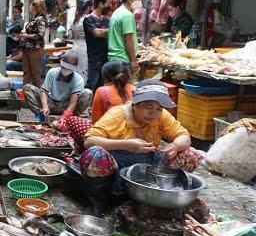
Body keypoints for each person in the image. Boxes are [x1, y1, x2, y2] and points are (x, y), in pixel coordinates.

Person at [80, 80, 196, 215]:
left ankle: (159, 195)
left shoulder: (162, 116)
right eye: (148, 107)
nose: (153, 113)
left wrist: (175, 146)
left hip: (147, 163)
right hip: (117, 163)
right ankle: (100, 202)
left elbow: (184, 136)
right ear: (135, 104)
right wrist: (126, 145)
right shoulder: (117, 115)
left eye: (159, 109)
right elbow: (89, 141)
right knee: (96, 155)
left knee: (190, 154)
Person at [23, 50, 93, 122]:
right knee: (28, 88)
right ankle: (40, 114)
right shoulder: (52, 72)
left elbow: (73, 103)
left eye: (69, 68)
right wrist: (45, 106)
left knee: (88, 93)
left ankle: (71, 118)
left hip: (66, 105)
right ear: (61, 64)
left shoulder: (78, 79)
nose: (66, 70)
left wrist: (65, 116)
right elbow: (44, 91)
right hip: (51, 103)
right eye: (65, 67)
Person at [108, 0, 145, 74]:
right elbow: (128, 39)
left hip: (114, 58)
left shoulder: (117, 12)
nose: (140, 2)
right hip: (123, 60)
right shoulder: (127, 15)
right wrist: (133, 60)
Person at [83, 0, 110, 90]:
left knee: (101, 85)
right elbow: (97, 33)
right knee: (91, 83)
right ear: (101, 4)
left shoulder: (106, 20)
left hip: (105, 56)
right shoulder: (89, 19)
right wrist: (111, 30)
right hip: (94, 56)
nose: (109, 6)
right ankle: (83, 103)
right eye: (107, 3)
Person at [21, 0, 48, 87]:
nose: (30, 10)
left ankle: (37, 94)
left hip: (35, 48)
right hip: (27, 48)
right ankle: (26, 92)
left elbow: (40, 35)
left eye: (32, 8)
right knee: (26, 72)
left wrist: (25, 36)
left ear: (36, 8)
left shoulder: (40, 20)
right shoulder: (34, 19)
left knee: (35, 73)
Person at [71, 0, 92, 80]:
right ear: (88, 7)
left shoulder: (76, 20)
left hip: (75, 46)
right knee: (84, 68)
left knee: (76, 69)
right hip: (85, 46)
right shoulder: (88, 19)